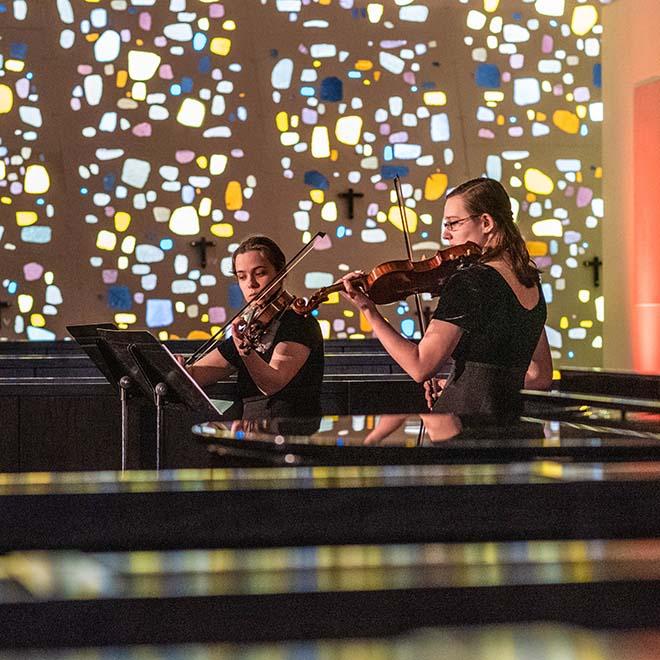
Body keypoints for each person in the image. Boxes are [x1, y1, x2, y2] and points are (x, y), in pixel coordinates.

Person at [341, 177, 552, 423]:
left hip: (465, 427)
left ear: (486, 222)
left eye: (453, 224)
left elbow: (419, 366)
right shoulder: (529, 281)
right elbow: (541, 376)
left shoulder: (470, 281)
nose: (445, 235)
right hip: (512, 427)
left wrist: (369, 311)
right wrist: (464, 384)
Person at [184, 235, 324, 419]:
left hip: (290, 431)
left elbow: (272, 383)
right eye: (242, 277)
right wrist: (181, 371)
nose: (250, 284)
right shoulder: (252, 328)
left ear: (281, 273)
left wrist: (244, 349)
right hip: (253, 429)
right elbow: (198, 374)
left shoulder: (299, 322)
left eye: (259, 273)